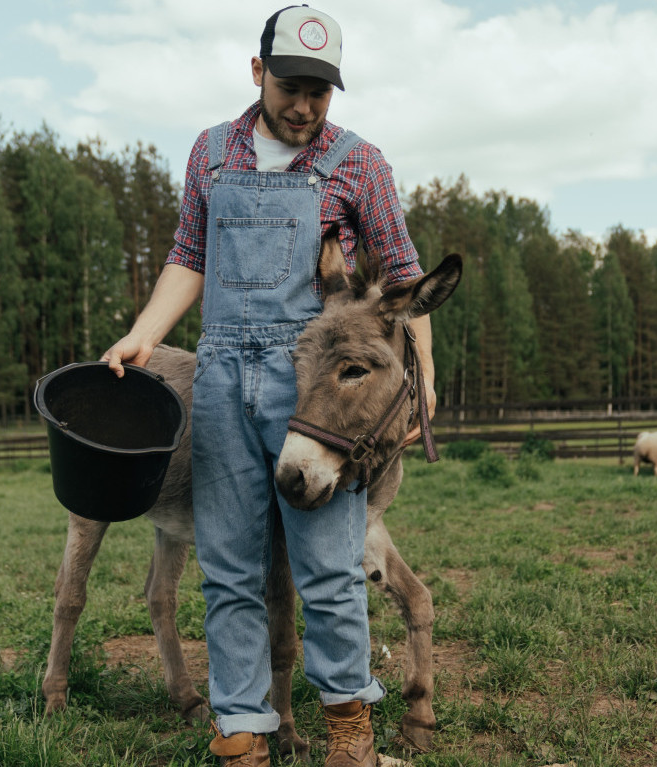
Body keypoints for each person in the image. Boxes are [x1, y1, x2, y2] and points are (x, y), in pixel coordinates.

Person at [101, 6, 434, 767]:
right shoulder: (211, 153)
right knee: (230, 567)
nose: (306, 106)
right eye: (292, 86)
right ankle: (242, 734)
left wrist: (425, 385)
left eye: (322, 91)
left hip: (312, 387)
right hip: (220, 381)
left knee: (328, 567)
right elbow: (189, 254)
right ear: (258, 74)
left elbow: (407, 286)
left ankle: (350, 736)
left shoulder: (360, 163)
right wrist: (145, 333)